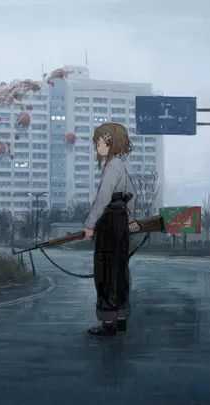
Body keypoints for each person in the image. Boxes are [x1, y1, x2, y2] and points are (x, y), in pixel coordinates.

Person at [82, 122, 138, 337]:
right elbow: (132, 194)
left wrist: (89, 224)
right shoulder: (121, 166)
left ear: (110, 142)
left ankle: (108, 322)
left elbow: (104, 197)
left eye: (99, 141)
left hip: (109, 220)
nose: (97, 145)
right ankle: (121, 317)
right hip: (121, 220)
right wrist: (130, 218)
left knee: (105, 270)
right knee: (120, 269)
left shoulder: (112, 165)